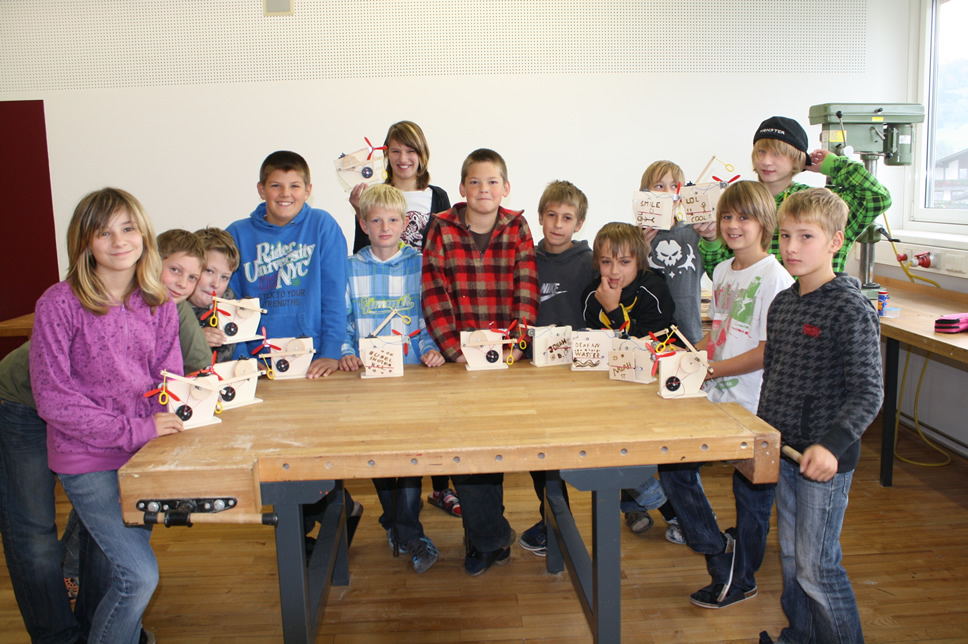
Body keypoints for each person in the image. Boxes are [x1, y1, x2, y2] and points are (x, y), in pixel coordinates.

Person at [29, 187, 184, 644]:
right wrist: (136, 428)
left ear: (144, 234)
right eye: (104, 233)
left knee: (120, 573)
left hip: (143, 452)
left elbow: (168, 379)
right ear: (85, 243)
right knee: (138, 577)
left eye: (128, 228)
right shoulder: (58, 304)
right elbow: (54, 399)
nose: (119, 241)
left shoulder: (158, 301)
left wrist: (168, 418)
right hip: (86, 456)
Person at [658, 181, 794, 609]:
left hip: (757, 404)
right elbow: (718, 334)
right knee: (674, 466)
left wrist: (709, 368)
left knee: (751, 496)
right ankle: (716, 548)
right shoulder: (721, 272)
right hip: (716, 395)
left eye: (744, 217)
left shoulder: (776, 278)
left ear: (765, 223)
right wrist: (683, 357)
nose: (734, 225)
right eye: (728, 217)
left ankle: (743, 579)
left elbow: (766, 351)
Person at [758, 188, 882, 644]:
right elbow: (774, 377)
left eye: (805, 236)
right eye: (785, 235)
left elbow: (869, 391)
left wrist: (831, 446)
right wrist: (763, 434)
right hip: (786, 454)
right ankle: (800, 636)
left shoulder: (848, 306)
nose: (791, 247)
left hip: (824, 461)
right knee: (792, 559)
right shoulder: (783, 303)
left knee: (817, 567)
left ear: (835, 241)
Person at [421, 148, 539, 575]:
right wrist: (455, 353)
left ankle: (486, 534)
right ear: (462, 188)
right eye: (475, 181)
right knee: (467, 451)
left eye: (492, 182)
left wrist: (517, 346)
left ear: (505, 188)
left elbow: (527, 290)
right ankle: (487, 539)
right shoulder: (441, 227)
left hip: (507, 360)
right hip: (460, 362)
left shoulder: (518, 227)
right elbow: (433, 292)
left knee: (498, 447)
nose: (483, 189)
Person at [349, 121, 459, 516]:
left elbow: (446, 248)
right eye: (395, 150)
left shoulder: (437, 196)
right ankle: (399, 515)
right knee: (384, 430)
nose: (403, 158)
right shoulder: (371, 197)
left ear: (422, 154)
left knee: (424, 424)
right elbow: (359, 256)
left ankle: (436, 492)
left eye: (410, 150)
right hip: (376, 331)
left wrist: (434, 342)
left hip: (417, 314)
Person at [338, 184, 445, 573]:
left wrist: (432, 348)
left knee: (412, 456)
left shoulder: (421, 264)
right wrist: (346, 352)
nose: (385, 227)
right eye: (376, 220)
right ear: (363, 224)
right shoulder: (349, 268)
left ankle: (406, 530)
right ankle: (401, 525)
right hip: (368, 378)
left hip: (412, 374)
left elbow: (428, 316)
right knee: (379, 457)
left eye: (393, 220)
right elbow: (344, 320)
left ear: (406, 223)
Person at [580, 222, 681, 536]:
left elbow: (646, 345)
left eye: (624, 262)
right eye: (606, 261)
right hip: (610, 388)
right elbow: (596, 345)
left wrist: (613, 309)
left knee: (639, 451)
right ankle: (634, 504)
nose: (614, 271)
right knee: (613, 446)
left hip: (653, 384)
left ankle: (674, 510)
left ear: (639, 261)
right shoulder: (591, 294)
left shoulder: (655, 289)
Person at [697, 116, 892, 277]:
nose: (766, 161)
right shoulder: (740, 202)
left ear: (798, 158)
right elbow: (722, 274)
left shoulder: (818, 205)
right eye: (761, 152)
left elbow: (876, 196)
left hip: (813, 305)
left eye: (777, 154)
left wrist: (834, 166)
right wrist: (711, 239)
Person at [518, 180, 592, 557]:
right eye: (551, 216)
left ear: (579, 223)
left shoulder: (591, 261)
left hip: (577, 374)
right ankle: (553, 520)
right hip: (534, 372)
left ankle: (657, 504)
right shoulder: (526, 258)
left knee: (577, 451)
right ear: (540, 217)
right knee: (539, 452)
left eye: (567, 218)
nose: (558, 224)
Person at [226, 150, 348, 378]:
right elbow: (230, 302)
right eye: (276, 186)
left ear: (308, 191)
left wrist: (331, 351)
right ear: (261, 190)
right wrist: (242, 356)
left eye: (294, 186)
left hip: (314, 357)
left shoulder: (323, 226)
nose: (285, 193)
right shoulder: (237, 234)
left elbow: (334, 294)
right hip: (256, 359)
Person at [640, 161, 705, 345]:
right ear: (645, 193)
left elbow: (717, 269)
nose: (668, 193)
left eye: (674, 186)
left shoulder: (695, 233)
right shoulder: (633, 236)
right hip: (646, 335)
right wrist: (640, 249)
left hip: (689, 334)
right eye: (659, 186)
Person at [157, 229, 209, 372]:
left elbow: (201, 368)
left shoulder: (179, 308)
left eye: (192, 278)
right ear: (153, 262)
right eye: (175, 270)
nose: (182, 284)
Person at [188, 227, 241, 363]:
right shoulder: (169, 304)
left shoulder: (228, 301)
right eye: (209, 271)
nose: (216, 284)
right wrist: (191, 342)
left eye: (224, 277)